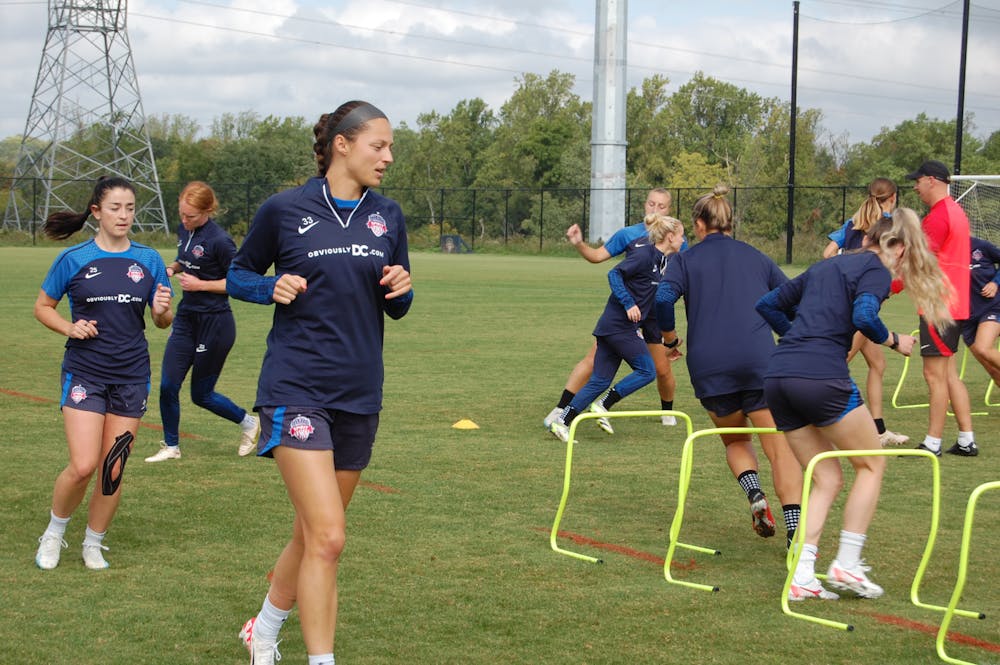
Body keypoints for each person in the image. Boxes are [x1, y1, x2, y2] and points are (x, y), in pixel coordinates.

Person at [227, 100, 413, 665]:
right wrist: (269, 288)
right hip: (296, 386)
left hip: (360, 391)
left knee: (312, 535)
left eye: (389, 148)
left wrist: (403, 288)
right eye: (378, 145)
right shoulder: (285, 209)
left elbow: (397, 303)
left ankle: (263, 627)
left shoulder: (390, 216)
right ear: (342, 144)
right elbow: (237, 273)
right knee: (330, 536)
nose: (386, 157)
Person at [757, 208, 951, 601]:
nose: (903, 262)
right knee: (871, 463)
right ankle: (846, 561)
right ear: (890, 246)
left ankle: (803, 574)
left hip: (778, 379)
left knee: (827, 477)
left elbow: (768, 304)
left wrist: (797, 338)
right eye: (905, 252)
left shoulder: (826, 266)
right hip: (819, 377)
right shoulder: (876, 268)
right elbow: (864, 315)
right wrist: (895, 340)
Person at [32, 176, 173, 571]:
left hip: (131, 376)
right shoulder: (74, 258)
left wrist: (162, 310)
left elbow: (163, 321)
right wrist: (69, 327)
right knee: (82, 465)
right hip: (84, 373)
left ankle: (93, 542)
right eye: (115, 208)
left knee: (113, 467)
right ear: (96, 211)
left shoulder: (148, 260)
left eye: (130, 208)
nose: (124, 215)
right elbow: (43, 307)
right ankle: (55, 532)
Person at [655, 184, 802, 546]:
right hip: (759, 361)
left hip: (710, 365)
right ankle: (795, 529)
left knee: (735, 439)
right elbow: (793, 302)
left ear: (699, 225)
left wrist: (670, 339)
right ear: (729, 223)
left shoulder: (685, 260)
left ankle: (755, 495)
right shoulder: (756, 257)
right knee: (779, 448)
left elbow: (662, 299)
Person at [545, 188, 680, 432]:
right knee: (600, 362)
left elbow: (684, 280)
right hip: (626, 315)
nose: (655, 209)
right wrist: (579, 244)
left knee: (660, 369)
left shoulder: (674, 245)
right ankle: (565, 409)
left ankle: (666, 412)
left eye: (662, 206)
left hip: (651, 313)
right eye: (652, 204)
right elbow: (601, 259)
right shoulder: (632, 237)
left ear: (669, 210)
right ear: (644, 205)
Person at [145, 181, 260, 462]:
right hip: (186, 318)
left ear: (208, 211)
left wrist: (200, 285)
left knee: (201, 394)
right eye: (182, 215)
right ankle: (171, 446)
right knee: (167, 385)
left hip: (216, 324)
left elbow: (239, 283)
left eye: (191, 216)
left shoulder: (220, 241)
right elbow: (186, 258)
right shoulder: (185, 230)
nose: (185, 221)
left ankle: (249, 422)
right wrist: (173, 267)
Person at [822, 178, 909, 447]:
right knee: (837, 362)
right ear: (892, 197)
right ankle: (816, 419)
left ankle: (879, 430)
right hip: (862, 304)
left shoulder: (853, 221)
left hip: (850, 299)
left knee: (878, 364)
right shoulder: (888, 225)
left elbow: (827, 254)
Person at [905, 160, 976, 457]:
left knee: (934, 376)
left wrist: (889, 285)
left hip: (939, 305)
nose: (915, 186)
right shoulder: (957, 212)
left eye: (918, 181)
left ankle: (932, 443)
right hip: (955, 303)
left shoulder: (937, 217)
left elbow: (920, 260)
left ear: (932, 180)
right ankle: (966, 439)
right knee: (948, 375)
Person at [962, 236, 1000, 434]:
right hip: (965, 316)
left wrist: (995, 282)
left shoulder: (981, 246)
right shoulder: (943, 250)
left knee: (984, 347)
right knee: (993, 371)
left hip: (991, 307)